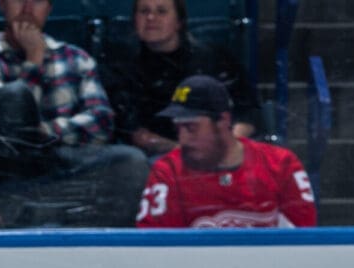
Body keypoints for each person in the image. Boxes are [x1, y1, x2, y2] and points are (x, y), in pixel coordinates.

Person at [0, 0, 149, 227]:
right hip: (9, 171)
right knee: (15, 95)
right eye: (19, 0)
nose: (28, 9)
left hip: (65, 163)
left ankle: (95, 246)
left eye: (37, 1)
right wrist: (34, 60)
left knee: (130, 160)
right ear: (2, 4)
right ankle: (8, 223)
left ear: (49, 9)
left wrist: (42, 133)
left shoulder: (77, 58)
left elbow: (100, 122)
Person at [135, 75, 316, 228]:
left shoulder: (281, 164)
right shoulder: (168, 172)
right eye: (179, 128)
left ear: (223, 120)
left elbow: (306, 240)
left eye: (191, 128)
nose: (182, 139)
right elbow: (155, 248)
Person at [99, 0, 261, 158]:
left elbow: (247, 113)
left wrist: (226, 145)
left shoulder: (215, 58)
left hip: (223, 148)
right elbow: (137, 134)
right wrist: (188, 153)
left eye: (161, 11)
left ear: (179, 22)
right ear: (134, 21)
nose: (150, 18)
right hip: (160, 155)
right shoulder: (120, 68)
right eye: (144, 11)